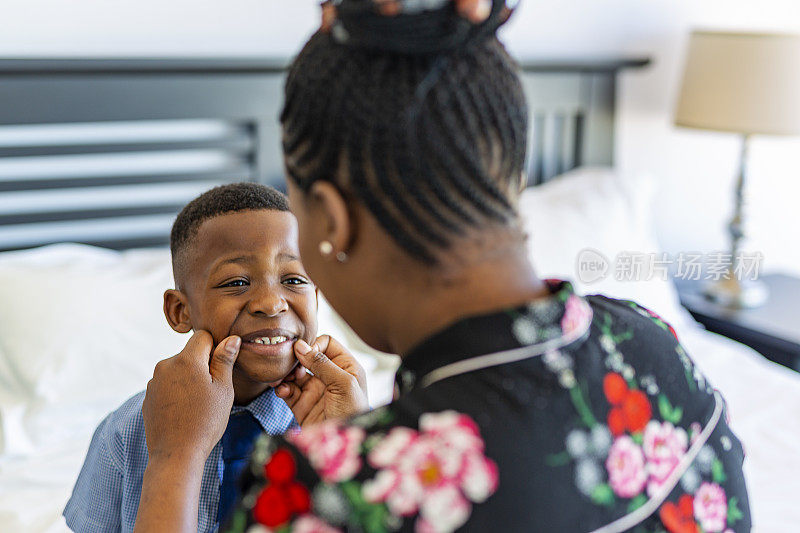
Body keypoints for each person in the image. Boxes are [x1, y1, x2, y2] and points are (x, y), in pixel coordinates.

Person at [134, 1, 752, 532]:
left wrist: (173, 462)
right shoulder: (650, 345)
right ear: (508, 176)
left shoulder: (318, 487)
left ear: (331, 218)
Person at [64, 183, 364, 532]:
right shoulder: (126, 432)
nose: (270, 303)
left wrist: (354, 447)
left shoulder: (337, 424)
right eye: (236, 282)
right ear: (180, 311)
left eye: (294, 279)